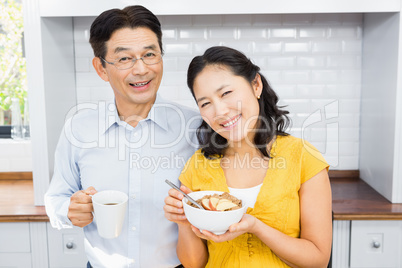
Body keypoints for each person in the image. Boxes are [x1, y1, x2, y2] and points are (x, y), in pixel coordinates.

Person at [45, 5, 199, 268]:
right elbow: (56, 198)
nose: (141, 70)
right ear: (101, 68)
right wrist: (68, 210)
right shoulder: (78, 129)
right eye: (125, 59)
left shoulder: (196, 128)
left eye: (150, 54)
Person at [164, 46, 332, 268]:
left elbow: (318, 259)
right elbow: (194, 264)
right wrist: (184, 222)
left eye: (226, 93)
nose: (220, 111)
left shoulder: (303, 157)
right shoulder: (198, 165)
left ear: (256, 85)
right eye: (205, 103)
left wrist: (256, 227)